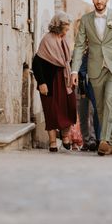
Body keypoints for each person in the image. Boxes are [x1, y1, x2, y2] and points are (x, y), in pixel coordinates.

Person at [70, 0, 112, 156]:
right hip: (95, 67)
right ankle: (110, 143)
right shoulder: (86, 19)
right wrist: (74, 71)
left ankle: (103, 140)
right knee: (100, 107)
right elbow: (80, 46)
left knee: (110, 99)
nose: (99, 1)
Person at [32, 12, 77, 152]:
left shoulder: (64, 40)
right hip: (50, 81)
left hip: (64, 80)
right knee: (50, 110)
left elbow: (67, 61)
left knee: (68, 108)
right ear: (58, 25)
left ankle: (65, 137)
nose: (68, 28)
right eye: (66, 25)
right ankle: (52, 142)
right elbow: (36, 63)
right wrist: (41, 82)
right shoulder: (47, 40)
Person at [77, 49, 99, 152]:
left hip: (95, 87)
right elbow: (81, 72)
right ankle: (85, 141)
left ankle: (93, 139)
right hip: (84, 88)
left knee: (93, 113)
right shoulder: (85, 55)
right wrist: (82, 90)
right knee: (83, 114)